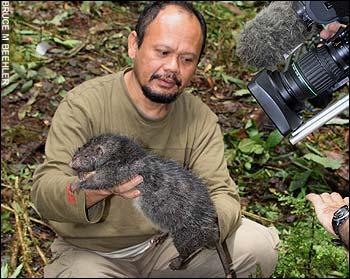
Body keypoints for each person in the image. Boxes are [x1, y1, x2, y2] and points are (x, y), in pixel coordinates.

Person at [31, 1, 279, 278]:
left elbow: (223, 194)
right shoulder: (84, 105)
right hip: (92, 253)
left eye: (187, 59)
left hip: (167, 244)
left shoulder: (199, 117)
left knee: (258, 247)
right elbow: (44, 192)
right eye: (162, 52)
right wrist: (103, 187)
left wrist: (197, 222)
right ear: (134, 45)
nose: (172, 67)